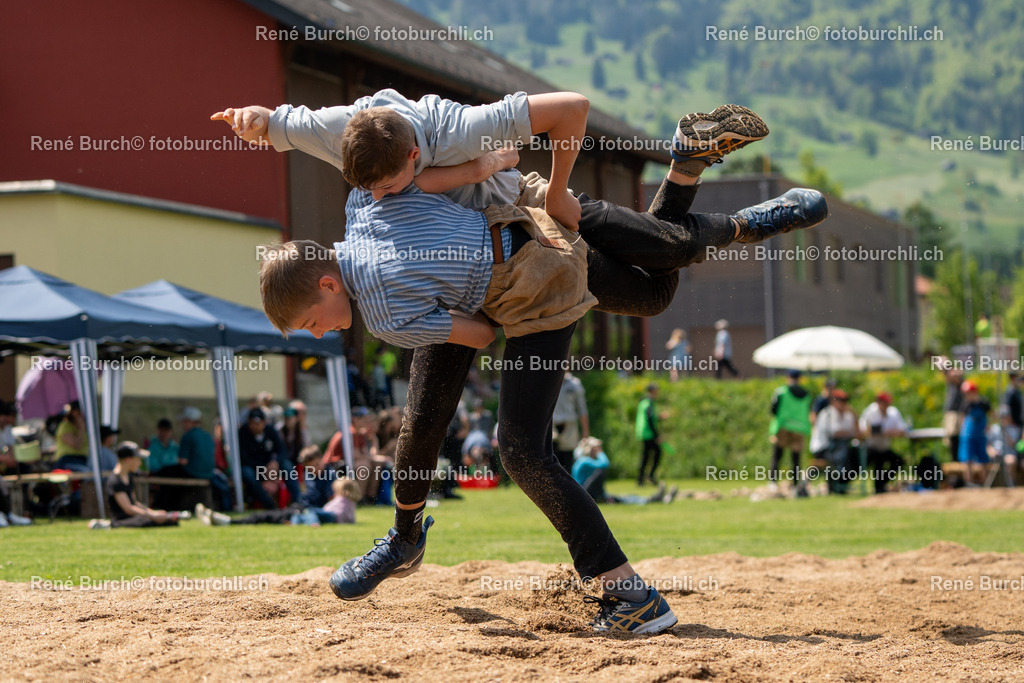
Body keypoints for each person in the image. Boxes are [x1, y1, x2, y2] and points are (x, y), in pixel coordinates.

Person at [235, 92, 825, 633]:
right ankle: (404, 537)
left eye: (313, 322)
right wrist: (264, 123)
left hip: (528, 234)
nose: (320, 335)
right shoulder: (365, 185)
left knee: (655, 275)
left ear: (411, 153)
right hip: (490, 260)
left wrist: (493, 265)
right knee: (423, 420)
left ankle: (628, 597)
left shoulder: (456, 133)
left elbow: (568, 110)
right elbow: (305, 129)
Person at [89, 442, 185, 529]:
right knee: (147, 522)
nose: (139, 463)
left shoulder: (129, 477)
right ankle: (107, 525)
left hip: (134, 516)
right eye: (137, 459)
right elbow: (128, 508)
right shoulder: (115, 481)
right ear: (128, 460)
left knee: (169, 522)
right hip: (123, 519)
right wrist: (152, 516)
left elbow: (134, 502)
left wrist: (153, 512)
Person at [573, 437, 678, 505]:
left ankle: (656, 499)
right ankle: (654, 499)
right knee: (603, 474)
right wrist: (600, 453)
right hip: (589, 496)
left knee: (627, 497)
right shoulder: (584, 461)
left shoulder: (583, 462)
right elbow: (605, 463)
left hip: (589, 494)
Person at [237, 408, 293, 509]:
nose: (256, 426)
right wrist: (264, 472)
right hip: (254, 469)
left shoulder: (270, 431)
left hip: (270, 468)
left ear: (264, 423)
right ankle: (269, 505)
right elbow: (243, 458)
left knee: (287, 465)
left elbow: (283, 451)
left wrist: (275, 462)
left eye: (258, 423)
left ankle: (297, 501)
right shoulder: (243, 433)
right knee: (246, 472)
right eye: (253, 423)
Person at [768, 370, 812, 495]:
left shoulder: (781, 392)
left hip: (783, 426)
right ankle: (795, 484)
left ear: (788, 377)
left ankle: (772, 482)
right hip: (799, 428)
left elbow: (773, 409)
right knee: (796, 459)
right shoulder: (806, 394)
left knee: (777, 456)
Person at [810, 389, 859, 494]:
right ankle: (836, 485)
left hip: (838, 447)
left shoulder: (848, 415)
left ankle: (841, 485)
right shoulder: (827, 413)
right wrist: (851, 433)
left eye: (845, 400)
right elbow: (835, 433)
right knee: (843, 454)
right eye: (841, 400)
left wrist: (855, 415)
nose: (843, 403)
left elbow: (856, 431)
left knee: (856, 455)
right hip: (822, 448)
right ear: (834, 401)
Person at [859, 392, 908, 494]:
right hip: (871, 447)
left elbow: (903, 430)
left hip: (884, 447)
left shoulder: (893, 412)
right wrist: (885, 432)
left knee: (899, 462)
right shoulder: (870, 412)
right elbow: (864, 430)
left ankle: (881, 484)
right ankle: (879, 487)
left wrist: (882, 432)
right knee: (878, 460)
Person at [552, 370, 590, 471]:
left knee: (567, 463)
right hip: (552, 427)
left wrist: (585, 431)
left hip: (569, 426)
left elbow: (582, 409)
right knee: (552, 462)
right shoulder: (548, 382)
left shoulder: (575, 384)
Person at [959, 380, 990, 485]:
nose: (966, 396)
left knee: (983, 460)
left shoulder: (984, 404)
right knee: (967, 460)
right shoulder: (965, 405)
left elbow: (990, 416)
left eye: (967, 393)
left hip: (980, 435)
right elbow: (962, 420)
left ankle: (985, 483)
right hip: (967, 436)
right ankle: (969, 483)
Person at [634, 383, 664, 486]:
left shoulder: (644, 401)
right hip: (648, 433)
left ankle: (640, 479)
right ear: (652, 391)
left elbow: (650, 416)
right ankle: (650, 475)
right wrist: (657, 435)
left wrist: (659, 417)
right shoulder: (649, 402)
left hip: (642, 432)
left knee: (646, 456)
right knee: (657, 452)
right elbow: (650, 419)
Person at [53, 401, 89, 472]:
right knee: (87, 473)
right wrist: (81, 428)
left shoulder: (83, 427)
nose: (80, 415)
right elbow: (77, 445)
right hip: (67, 461)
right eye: (78, 412)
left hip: (82, 460)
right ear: (72, 412)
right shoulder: (65, 426)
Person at [942, 367, 965, 462]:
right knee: (951, 440)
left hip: (958, 414)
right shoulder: (950, 383)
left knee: (957, 439)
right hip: (950, 415)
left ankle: (958, 462)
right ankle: (955, 461)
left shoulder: (961, 384)